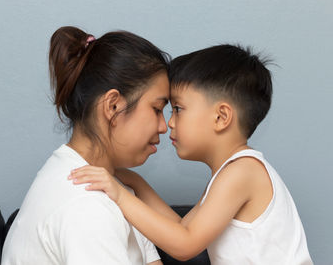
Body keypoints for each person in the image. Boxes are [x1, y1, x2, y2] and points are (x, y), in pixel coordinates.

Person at [70, 45, 314, 264]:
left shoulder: (243, 172)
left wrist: (121, 196)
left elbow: (185, 245)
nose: (169, 123)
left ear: (221, 117)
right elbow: (181, 228)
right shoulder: (230, 172)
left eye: (178, 109)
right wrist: (135, 182)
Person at [1, 26, 171, 265]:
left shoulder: (107, 187)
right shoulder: (86, 206)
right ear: (113, 106)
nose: (164, 126)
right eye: (156, 109)